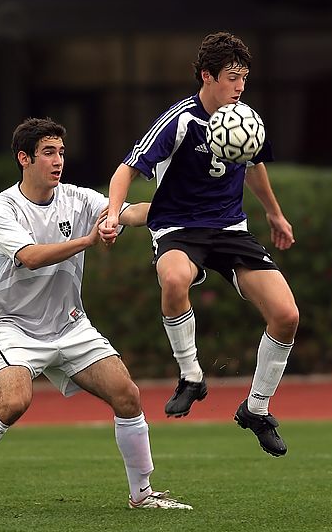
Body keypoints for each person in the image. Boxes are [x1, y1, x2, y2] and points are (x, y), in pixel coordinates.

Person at [0, 117, 192, 517]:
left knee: (128, 395)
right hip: (13, 326)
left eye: (61, 152)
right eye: (48, 152)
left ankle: (142, 494)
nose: (58, 160)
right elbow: (28, 257)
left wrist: (180, 210)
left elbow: (128, 212)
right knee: (13, 402)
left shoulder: (78, 199)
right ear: (24, 158)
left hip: (69, 323)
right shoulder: (2, 206)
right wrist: (88, 239)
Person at [101, 31, 299, 458]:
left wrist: (275, 214)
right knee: (173, 280)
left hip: (230, 228)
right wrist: (112, 212)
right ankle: (191, 376)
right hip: (178, 226)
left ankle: (257, 408)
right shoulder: (179, 120)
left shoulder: (243, 118)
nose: (240, 87)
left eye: (244, 78)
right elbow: (125, 168)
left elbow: (253, 166)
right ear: (207, 76)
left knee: (286, 315)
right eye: (232, 78)